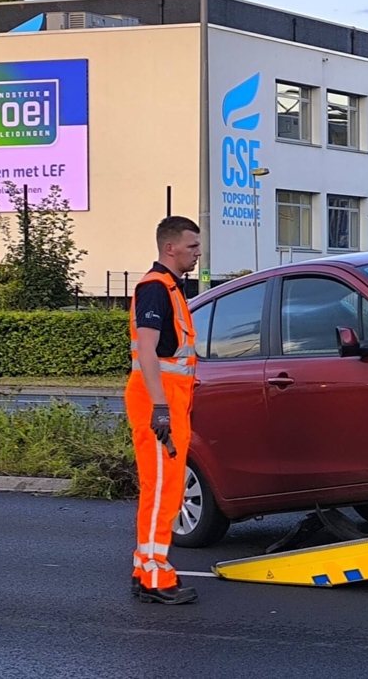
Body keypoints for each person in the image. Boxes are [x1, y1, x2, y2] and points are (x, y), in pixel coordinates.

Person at [126, 216, 202, 605]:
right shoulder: (156, 288)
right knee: (162, 491)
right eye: (192, 246)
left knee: (161, 489)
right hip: (160, 399)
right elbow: (149, 352)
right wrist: (160, 407)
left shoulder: (168, 288)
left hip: (167, 398)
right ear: (169, 248)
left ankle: (146, 568)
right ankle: (156, 577)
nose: (198, 253)